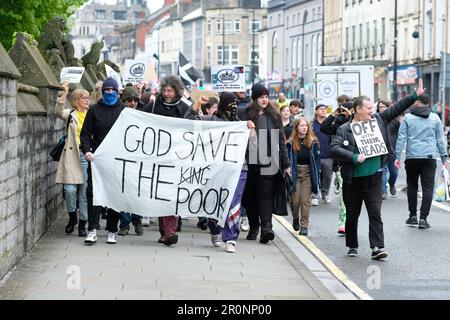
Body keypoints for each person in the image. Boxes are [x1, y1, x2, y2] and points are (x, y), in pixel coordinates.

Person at [330, 78, 425, 260]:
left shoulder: (379, 120)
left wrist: (414, 96)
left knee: (375, 212)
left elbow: (397, 108)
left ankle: (377, 247)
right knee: (352, 214)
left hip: (374, 176)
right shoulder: (344, 129)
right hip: (353, 178)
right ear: (358, 110)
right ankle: (352, 245)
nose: (371, 111)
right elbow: (335, 148)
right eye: (368, 109)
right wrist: (354, 157)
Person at [185, 92, 255, 252]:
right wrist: (197, 105)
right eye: (230, 105)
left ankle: (231, 238)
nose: (233, 109)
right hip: (216, 169)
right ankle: (215, 230)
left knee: (233, 203)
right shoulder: (210, 121)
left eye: (235, 105)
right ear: (223, 106)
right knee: (214, 200)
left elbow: (254, 147)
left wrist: (252, 132)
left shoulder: (241, 124)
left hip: (238, 169)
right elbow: (189, 122)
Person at [141, 75, 191, 246]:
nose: (167, 93)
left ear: (177, 91)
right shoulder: (154, 105)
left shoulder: (185, 108)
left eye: (170, 90)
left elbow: (193, 127)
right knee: (160, 194)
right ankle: (165, 232)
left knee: (171, 194)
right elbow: (139, 119)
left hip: (176, 158)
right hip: (156, 157)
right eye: (165, 90)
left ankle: (170, 231)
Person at [241, 83, 291, 244]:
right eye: (261, 97)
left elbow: (281, 142)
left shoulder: (274, 116)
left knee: (265, 196)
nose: (264, 100)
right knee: (249, 198)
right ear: (254, 99)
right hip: (249, 163)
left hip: (269, 162)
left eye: (266, 97)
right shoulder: (245, 114)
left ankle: (267, 229)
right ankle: (254, 227)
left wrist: (286, 164)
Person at [81, 77, 126, 245]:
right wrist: (86, 150)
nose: (109, 92)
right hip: (97, 159)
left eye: (112, 90)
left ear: (117, 91)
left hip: (117, 159)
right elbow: (85, 133)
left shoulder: (124, 111)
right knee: (94, 193)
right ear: (103, 91)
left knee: (114, 193)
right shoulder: (94, 110)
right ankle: (92, 229)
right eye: (106, 89)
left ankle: (112, 230)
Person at [395, 94, 447, 229]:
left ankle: (412, 216)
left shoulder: (408, 117)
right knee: (428, 187)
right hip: (429, 157)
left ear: (418, 103)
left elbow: (401, 138)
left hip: (412, 157)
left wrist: (397, 156)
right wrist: (444, 158)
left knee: (412, 185)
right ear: (428, 103)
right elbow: (440, 140)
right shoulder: (435, 118)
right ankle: (423, 219)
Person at [54, 81, 89, 237]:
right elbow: (58, 111)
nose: (87, 100)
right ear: (76, 101)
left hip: (87, 156)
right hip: (71, 156)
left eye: (88, 98)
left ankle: (82, 224)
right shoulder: (70, 114)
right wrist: (64, 92)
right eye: (84, 98)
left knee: (83, 193)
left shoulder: (92, 114)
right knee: (69, 190)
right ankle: (72, 217)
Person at [116, 86, 144, 236]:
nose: (132, 103)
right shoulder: (118, 116)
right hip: (123, 159)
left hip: (138, 160)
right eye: (129, 100)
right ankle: (124, 223)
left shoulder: (143, 115)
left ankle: (137, 219)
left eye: (135, 100)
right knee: (123, 192)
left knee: (137, 192)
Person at [287, 118, 320, 236]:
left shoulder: (313, 141)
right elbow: (286, 159)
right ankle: (295, 218)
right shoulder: (290, 142)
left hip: (307, 173)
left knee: (305, 201)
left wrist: (317, 176)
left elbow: (317, 160)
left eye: (306, 125)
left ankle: (304, 225)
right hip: (295, 172)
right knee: (295, 201)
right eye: (301, 126)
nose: (304, 128)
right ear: (296, 128)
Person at [376, 100, 400, 200]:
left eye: (384, 107)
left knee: (394, 172)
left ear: (388, 107)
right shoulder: (374, 120)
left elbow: (399, 134)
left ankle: (392, 184)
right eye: (380, 107)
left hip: (392, 151)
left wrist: (398, 148)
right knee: (383, 171)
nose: (382, 109)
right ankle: (383, 191)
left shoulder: (394, 120)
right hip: (381, 151)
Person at [312, 104, 333, 205]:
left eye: (325, 109)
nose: (323, 111)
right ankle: (315, 194)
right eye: (321, 109)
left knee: (328, 176)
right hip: (315, 154)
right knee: (315, 174)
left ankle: (325, 193)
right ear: (316, 111)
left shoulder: (329, 123)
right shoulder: (311, 124)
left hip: (328, 154)